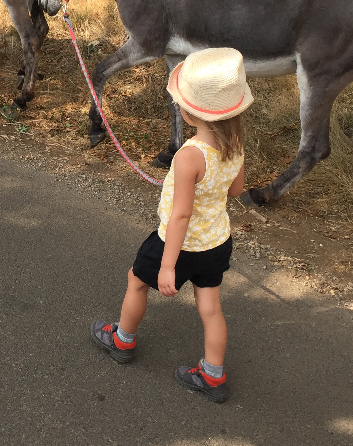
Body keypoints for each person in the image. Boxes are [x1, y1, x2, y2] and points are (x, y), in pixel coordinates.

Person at [91, 48, 253, 403]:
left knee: (136, 280)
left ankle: (122, 340)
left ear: (190, 110)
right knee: (210, 308)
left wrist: (168, 265)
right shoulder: (236, 145)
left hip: (177, 245)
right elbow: (237, 190)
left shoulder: (190, 156)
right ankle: (213, 375)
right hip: (216, 243)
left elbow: (180, 215)